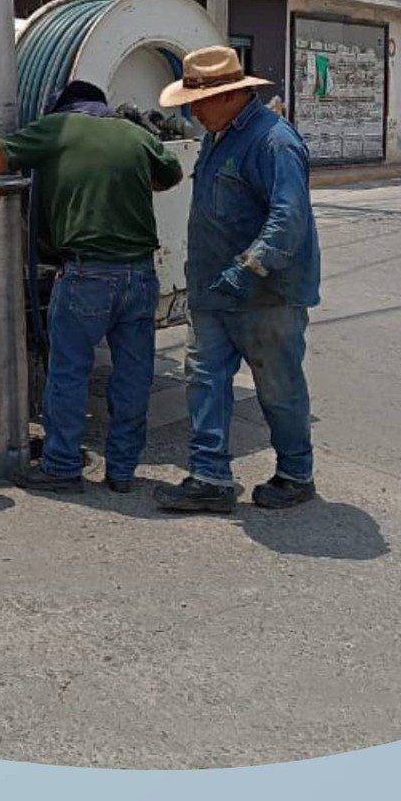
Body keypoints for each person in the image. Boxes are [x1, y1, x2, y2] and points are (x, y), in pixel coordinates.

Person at [0, 79, 182, 494]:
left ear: (66, 107)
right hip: (141, 275)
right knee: (132, 376)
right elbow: (171, 173)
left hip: (87, 275)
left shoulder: (56, 127)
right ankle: (122, 471)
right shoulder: (134, 134)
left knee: (69, 373)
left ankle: (61, 467)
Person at [154, 45, 323, 514]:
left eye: (197, 99)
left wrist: (249, 268)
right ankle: (209, 476)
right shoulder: (218, 134)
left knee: (278, 385)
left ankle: (295, 474)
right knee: (205, 378)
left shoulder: (275, 142)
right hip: (213, 289)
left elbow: (289, 219)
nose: (190, 109)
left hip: (267, 294)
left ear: (229, 96)